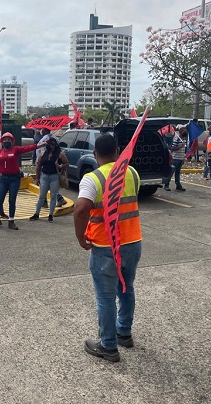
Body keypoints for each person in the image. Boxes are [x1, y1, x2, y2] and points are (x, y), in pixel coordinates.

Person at [73, 134, 142, 362]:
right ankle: (124, 333)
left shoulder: (92, 178)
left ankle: (108, 346)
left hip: (106, 247)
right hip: (133, 242)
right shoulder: (132, 173)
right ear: (119, 150)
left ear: (95, 154)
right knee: (126, 289)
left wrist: (81, 236)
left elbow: (81, 209)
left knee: (105, 297)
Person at [0, 132, 42, 230]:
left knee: (12, 200)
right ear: (2, 141)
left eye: (8, 140)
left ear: (12, 141)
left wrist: (40, 145)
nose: (6, 141)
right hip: (3, 178)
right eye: (5, 140)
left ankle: (11, 221)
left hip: (14, 178)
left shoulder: (16, 149)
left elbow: (28, 148)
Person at [29, 137, 69, 222]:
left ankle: (50, 215)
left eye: (50, 144)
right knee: (41, 196)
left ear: (54, 145)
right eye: (47, 144)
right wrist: (38, 178)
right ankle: (36, 213)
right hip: (44, 176)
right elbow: (38, 166)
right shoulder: (43, 153)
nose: (48, 146)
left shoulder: (59, 154)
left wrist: (60, 166)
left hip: (54, 176)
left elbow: (66, 163)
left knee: (53, 196)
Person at [164, 125, 187, 192]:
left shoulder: (184, 139)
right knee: (171, 172)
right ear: (180, 132)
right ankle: (166, 184)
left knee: (177, 172)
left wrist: (183, 158)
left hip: (181, 158)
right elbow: (172, 148)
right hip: (175, 158)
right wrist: (179, 146)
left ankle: (178, 185)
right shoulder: (176, 139)